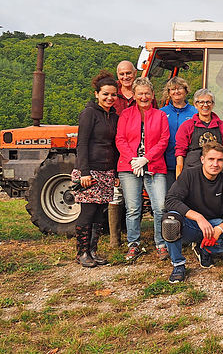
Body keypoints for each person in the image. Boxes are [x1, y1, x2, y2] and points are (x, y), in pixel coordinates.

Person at [164, 142, 223, 283]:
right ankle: (178, 265)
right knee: (170, 221)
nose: (215, 164)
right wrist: (198, 217)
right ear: (202, 159)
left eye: (220, 160)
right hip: (190, 224)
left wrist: (219, 229)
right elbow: (170, 201)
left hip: (213, 225)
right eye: (211, 159)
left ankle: (205, 249)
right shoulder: (189, 175)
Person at [116, 77, 170, 261]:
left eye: (147, 93)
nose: (144, 97)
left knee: (160, 207)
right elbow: (120, 139)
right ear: (135, 95)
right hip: (129, 166)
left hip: (154, 165)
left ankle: (161, 243)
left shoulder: (160, 115)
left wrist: (146, 158)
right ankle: (134, 244)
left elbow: (164, 140)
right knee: (132, 207)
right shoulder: (126, 115)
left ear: (152, 95)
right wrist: (133, 160)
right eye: (140, 93)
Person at [70, 70, 119, 267]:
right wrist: (84, 172)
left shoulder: (114, 116)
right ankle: (81, 252)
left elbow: (114, 146)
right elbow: (81, 144)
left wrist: (114, 172)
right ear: (97, 94)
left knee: (100, 214)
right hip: (90, 171)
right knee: (88, 213)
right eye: (105, 94)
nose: (109, 98)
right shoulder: (89, 113)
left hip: (107, 171)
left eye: (113, 94)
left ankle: (92, 251)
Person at [175, 88, 223, 177]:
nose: (205, 105)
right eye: (201, 102)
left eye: (208, 102)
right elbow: (180, 153)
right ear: (195, 105)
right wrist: (179, 178)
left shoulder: (222, 126)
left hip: (216, 174)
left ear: (213, 104)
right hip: (192, 173)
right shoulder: (186, 126)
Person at [160, 77, 197, 190]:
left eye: (180, 88)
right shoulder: (162, 112)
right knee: (168, 197)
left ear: (186, 91)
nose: (176, 92)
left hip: (189, 164)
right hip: (167, 164)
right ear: (169, 93)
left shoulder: (195, 112)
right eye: (172, 89)